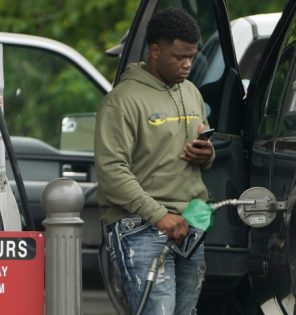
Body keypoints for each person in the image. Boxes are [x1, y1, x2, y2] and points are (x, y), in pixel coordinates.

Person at [94, 7, 214, 315]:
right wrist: (159, 215)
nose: (187, 64)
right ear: (155, 50)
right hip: (140, 227)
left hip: (190, 222)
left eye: (191, 56)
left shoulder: (192, 92)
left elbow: (197, 154)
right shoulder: (122, 100)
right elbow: (111, 171)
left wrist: (207, 155)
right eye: (178, 57)